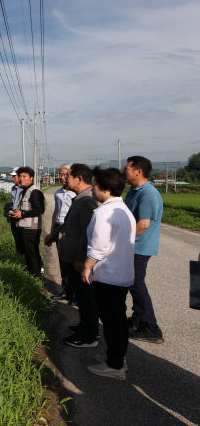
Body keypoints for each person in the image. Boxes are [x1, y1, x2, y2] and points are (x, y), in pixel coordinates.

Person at [81, 167, 136, 380]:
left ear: (104, 188)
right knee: (118, 320)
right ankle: (117, 358)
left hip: (109, 275)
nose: (92, 188)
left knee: (112, 322)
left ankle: (114, 366)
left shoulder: (103, 212)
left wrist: (87, 266)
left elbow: (99, 247)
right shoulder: (124, 210)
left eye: (94, 184)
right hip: (121, 274)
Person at [46, 163, 100, 347]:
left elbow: (88, 234)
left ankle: (89, 335)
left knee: (86, 298)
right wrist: (54, 235)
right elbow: (69, 224)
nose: (65, 179)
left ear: (79, 178)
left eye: (68, 175)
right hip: (73, 257)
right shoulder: (80, 198)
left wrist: (80, 259)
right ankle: (85, 326)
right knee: (82, 296)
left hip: (78, 260)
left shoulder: (87, 202)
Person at [124, 155, 164, 343]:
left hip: (139, 247)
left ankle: (151, 327)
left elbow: (143, 224)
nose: (125, 172)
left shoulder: (148, 193)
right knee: (133, 284)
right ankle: (138, 319)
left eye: (127, 169)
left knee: (137, 284)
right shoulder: (134, 191)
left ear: (138, 171)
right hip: (133, 246)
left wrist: (122, 242)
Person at [46, 164, 76, 301]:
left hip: (70, 229)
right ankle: (66, 291)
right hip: (59, 226)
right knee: (62, 260)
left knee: (73, 262)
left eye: (65, 174)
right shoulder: (58, 192)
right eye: (61, 174)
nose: (62, 177)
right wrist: (52, 230)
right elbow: (56, 211)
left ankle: (75, 293)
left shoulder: (76, 193)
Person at [9, 166, 45, 277]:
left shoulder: (34, 192)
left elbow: (40, 209)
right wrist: (14, 212)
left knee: (31, 252)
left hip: (31, 228)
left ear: (31, 178)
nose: (21, 179)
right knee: (27, 253)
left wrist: (22, 214)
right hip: (24, 226)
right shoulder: (23, 191)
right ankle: (31, 273)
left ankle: (36, 275)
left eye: (24, 176)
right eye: (20, 176)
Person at [6, 167, 24, 255]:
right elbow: (14, 202)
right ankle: (20, 256)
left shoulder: (25, 189)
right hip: (13, 217)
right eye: (12, 176)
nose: (13, 178)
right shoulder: (13, 188)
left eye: (14, 176)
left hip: (22, 217)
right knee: (16, 238)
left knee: (24, 240)